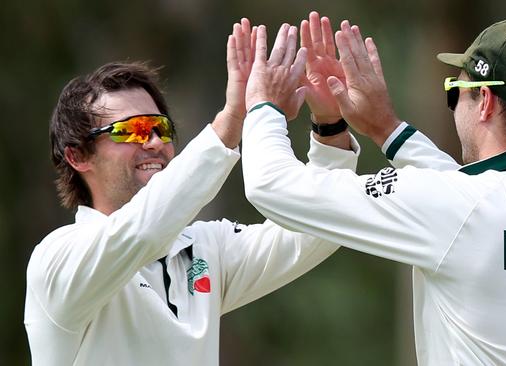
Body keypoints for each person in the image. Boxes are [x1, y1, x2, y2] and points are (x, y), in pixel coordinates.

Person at [243, 15, 506, 365]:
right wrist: (386, 129)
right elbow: (467, 205)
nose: (453, 105)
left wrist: (264, 104)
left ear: (484, 101)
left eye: (455, 91)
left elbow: (270, 185)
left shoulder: (464, 210)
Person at [24, 19, 360, 365]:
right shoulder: (57, 260)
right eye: (133, 130)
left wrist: (329, 127)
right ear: (77, 156)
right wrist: (233, 120)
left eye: (160, 127)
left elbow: (317, 228)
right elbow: (142, 230)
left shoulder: (203, 248)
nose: (154, 142)